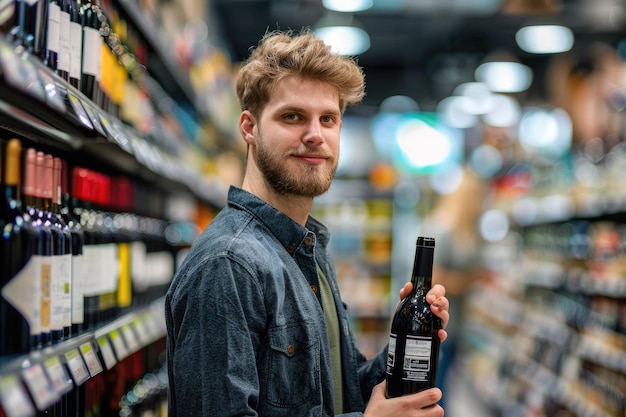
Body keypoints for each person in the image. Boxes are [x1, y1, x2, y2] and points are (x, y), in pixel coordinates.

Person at [164, 29, 450, 417]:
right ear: (249, 127)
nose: (315, 135)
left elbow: (339, 392)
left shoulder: (308, 250)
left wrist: (404, 346)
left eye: (328, 119)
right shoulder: (228, 265)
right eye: (293, 116)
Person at [420, 168, 492, 407]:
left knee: (443, 385)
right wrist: (471, 280)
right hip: (437, 322)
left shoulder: (468, 231)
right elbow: (433, 280)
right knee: (435, 390)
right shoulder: (442, 229)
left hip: (456, 322)